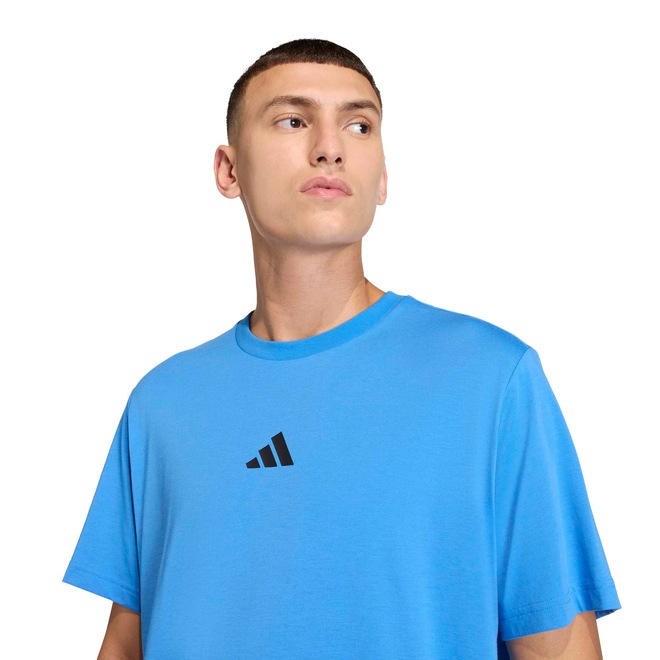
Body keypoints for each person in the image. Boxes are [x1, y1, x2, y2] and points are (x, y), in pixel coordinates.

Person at [63, 38, 620, 659]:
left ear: (380, 178)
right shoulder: (163, 404)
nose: (330, 147)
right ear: (229, 170)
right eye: (293, 120)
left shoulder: (491, 379)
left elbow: (558, 643)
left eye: (359, 126)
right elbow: (126, 643)